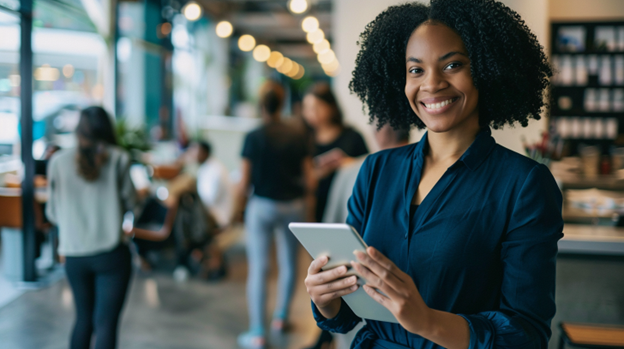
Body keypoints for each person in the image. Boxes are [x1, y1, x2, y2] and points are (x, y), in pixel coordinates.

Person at [304, 1, 564, 349]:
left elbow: (527, 334)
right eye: (416, 70)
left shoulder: (524, 185)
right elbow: (351, 312)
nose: (432, 84)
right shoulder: (376, 170)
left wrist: (426, 321)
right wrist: (327, 298)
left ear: (486, 68)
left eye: (453, 65)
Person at [234, 81, 315, 349]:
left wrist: (236, 209)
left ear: (261, 105)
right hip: (293, 206)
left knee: (259, 267)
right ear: (283, 103)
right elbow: (309, 179)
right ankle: (280, 317)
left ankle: (257, 333)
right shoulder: (297, 134)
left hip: (262, 205)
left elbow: (244, 182)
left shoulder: (253, 136)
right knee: (290, 263)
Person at [46, 106, 136, 349]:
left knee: (83, 319)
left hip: (74, 255)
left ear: (79, 130)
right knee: (106, 324)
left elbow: (52, 213)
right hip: (111, 254)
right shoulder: (119, 158)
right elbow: (132, 205)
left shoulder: (57, 161)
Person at [302, 83, 369, 224]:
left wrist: (348, 164)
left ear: (331, 107)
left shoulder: (352, 136)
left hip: (347, 202)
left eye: (316, 107)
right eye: (307, 108)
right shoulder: (304, 139)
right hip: (316, 204)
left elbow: (367, 166)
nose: (311, 113)